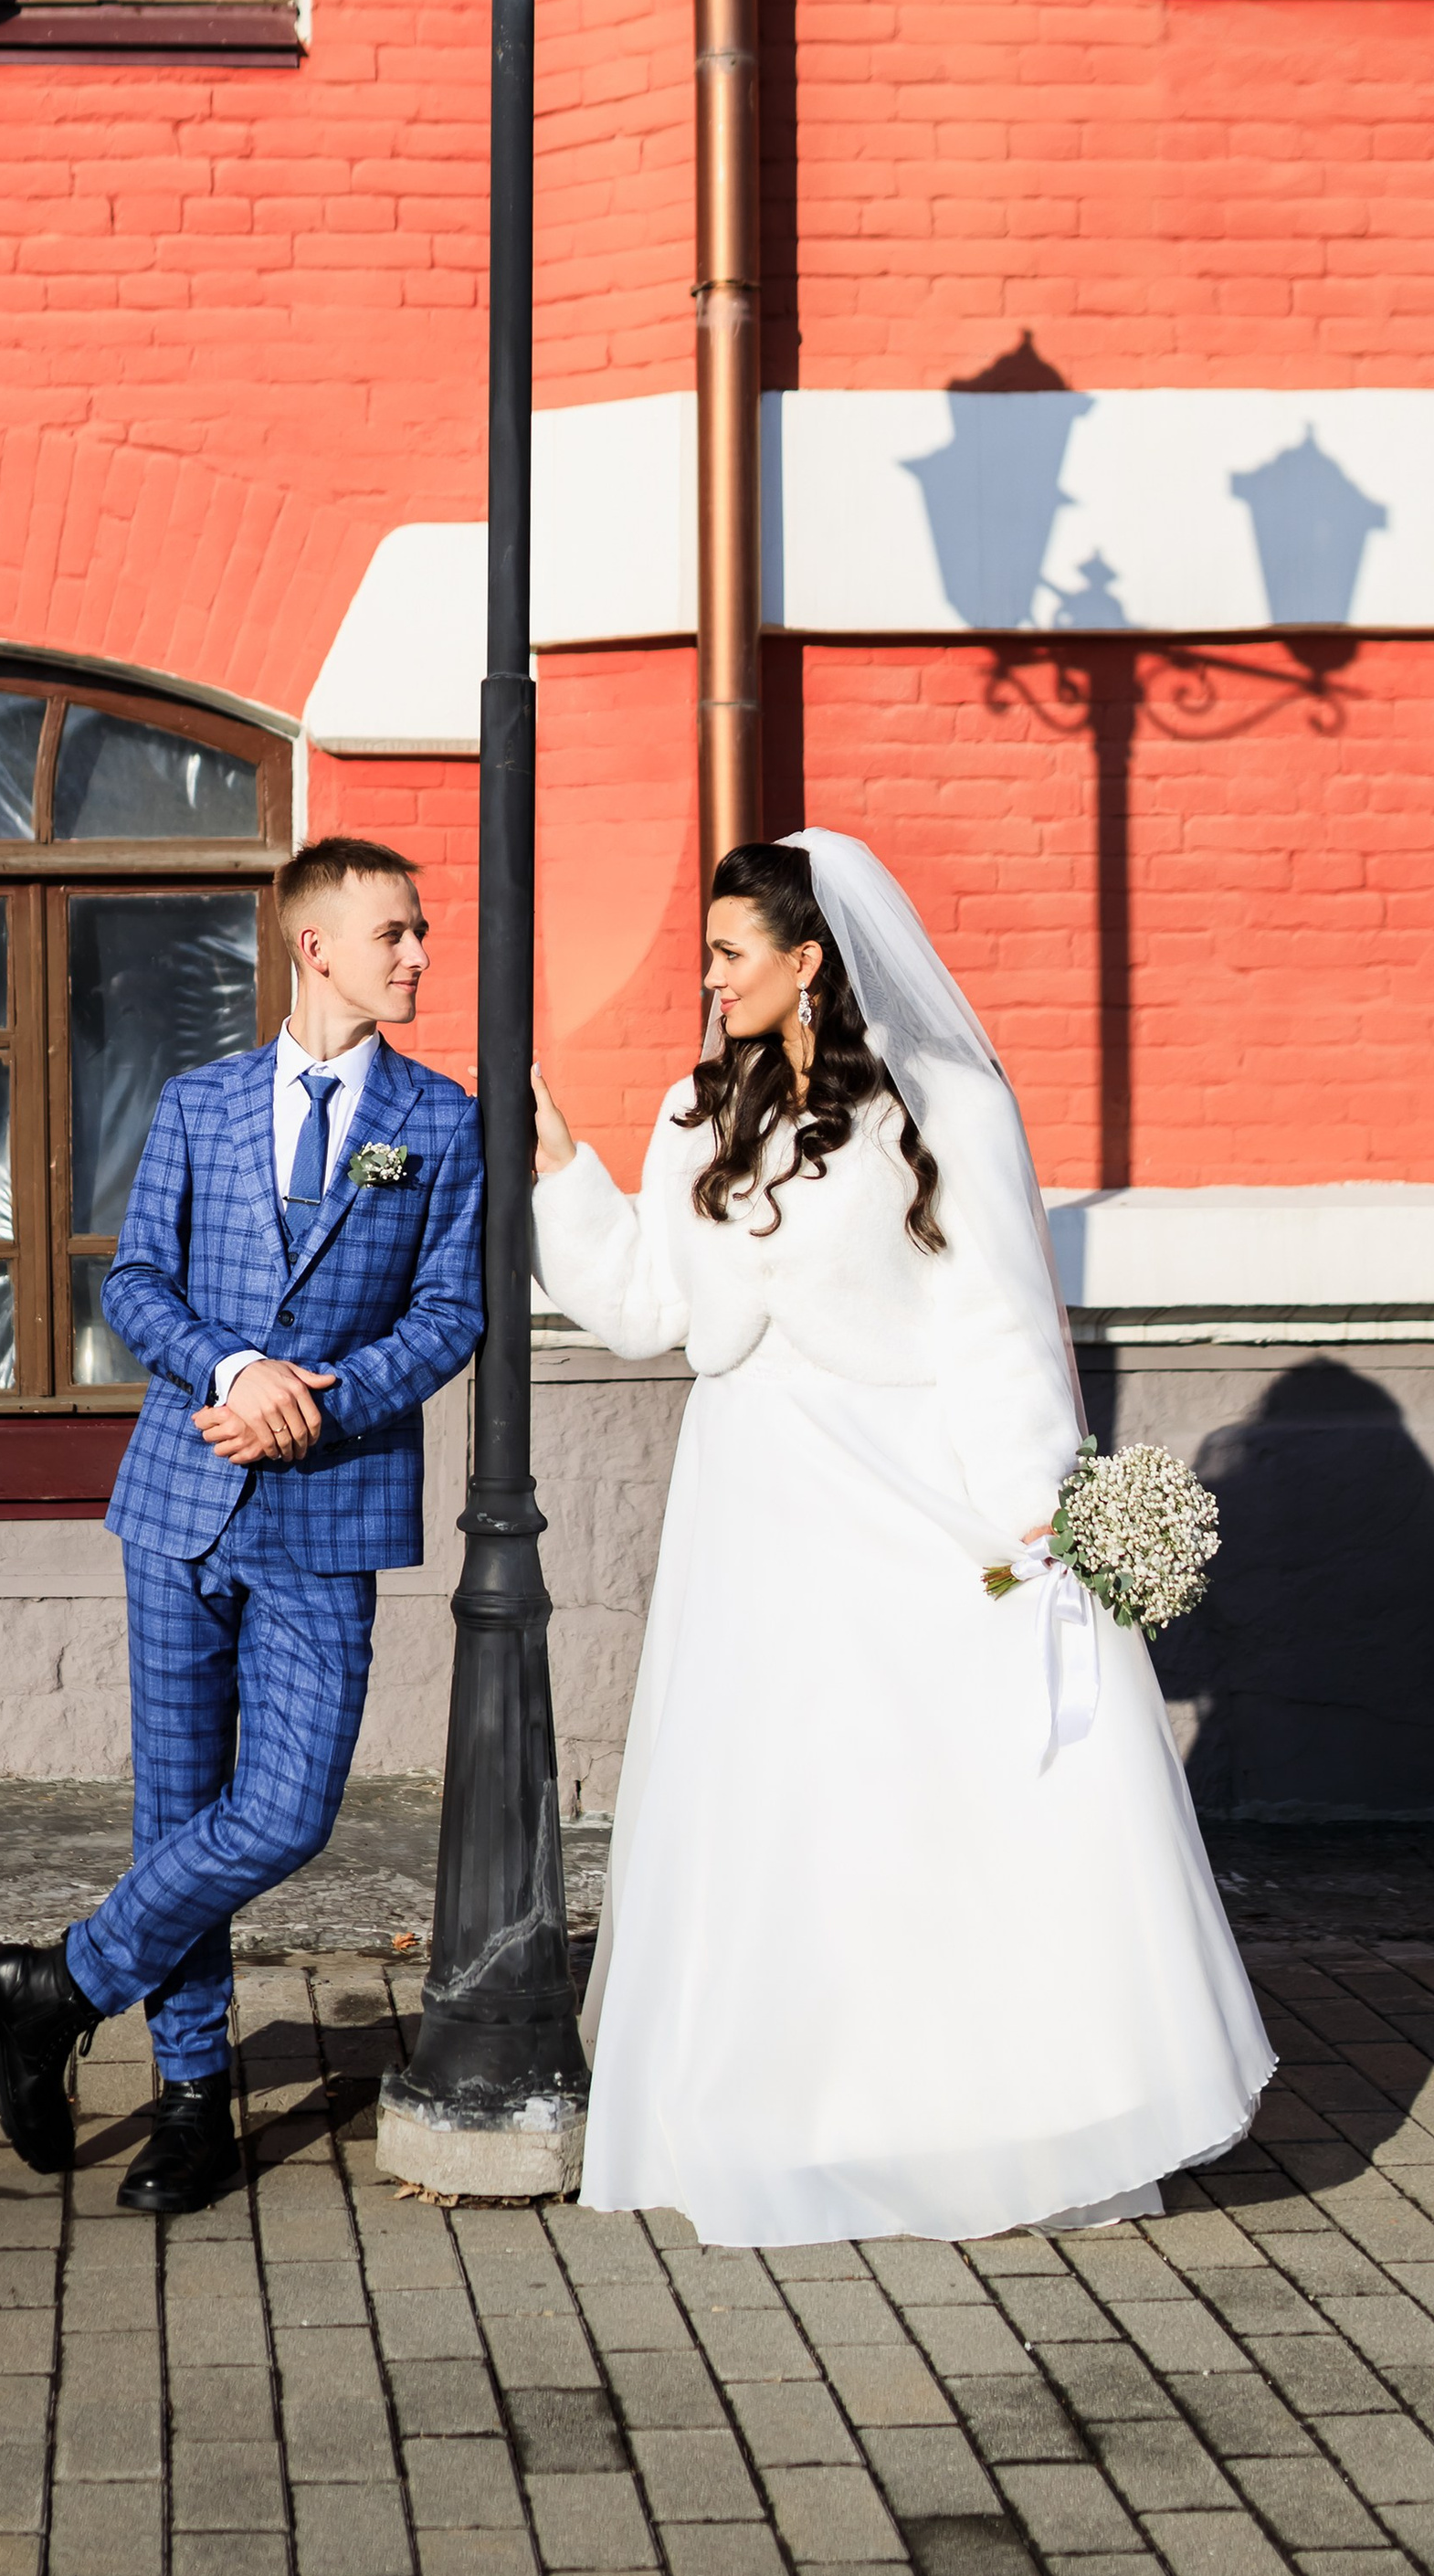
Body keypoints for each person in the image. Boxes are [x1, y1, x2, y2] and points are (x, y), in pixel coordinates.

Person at [531, 829, 1273, 2249]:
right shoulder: (697, 1111)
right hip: (750, 1510)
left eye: (732, 952)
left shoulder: (947, 1108)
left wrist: (1042, 1517)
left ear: (808, 959)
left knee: (914, 1802)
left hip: (904, 1495)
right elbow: (646, 1308)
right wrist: (561, 1172)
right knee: (771, 1810)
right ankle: (779, 2118)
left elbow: (995, 1325)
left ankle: (963, 2114)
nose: (710, 977)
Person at [0, 837, 484, 2212]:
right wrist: (233, 1371)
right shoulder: (199, 1103)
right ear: (316, 947)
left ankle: (53, 1985)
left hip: (329, 1508)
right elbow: (136, 1280)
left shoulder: (441, 1121)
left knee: (288, 1811)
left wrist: (317, 1403)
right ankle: (193, 2096)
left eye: (420, 930)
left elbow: (451, 1315)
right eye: (396, 931)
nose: (420, 952)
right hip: (180, 1499)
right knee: (177, 1808)